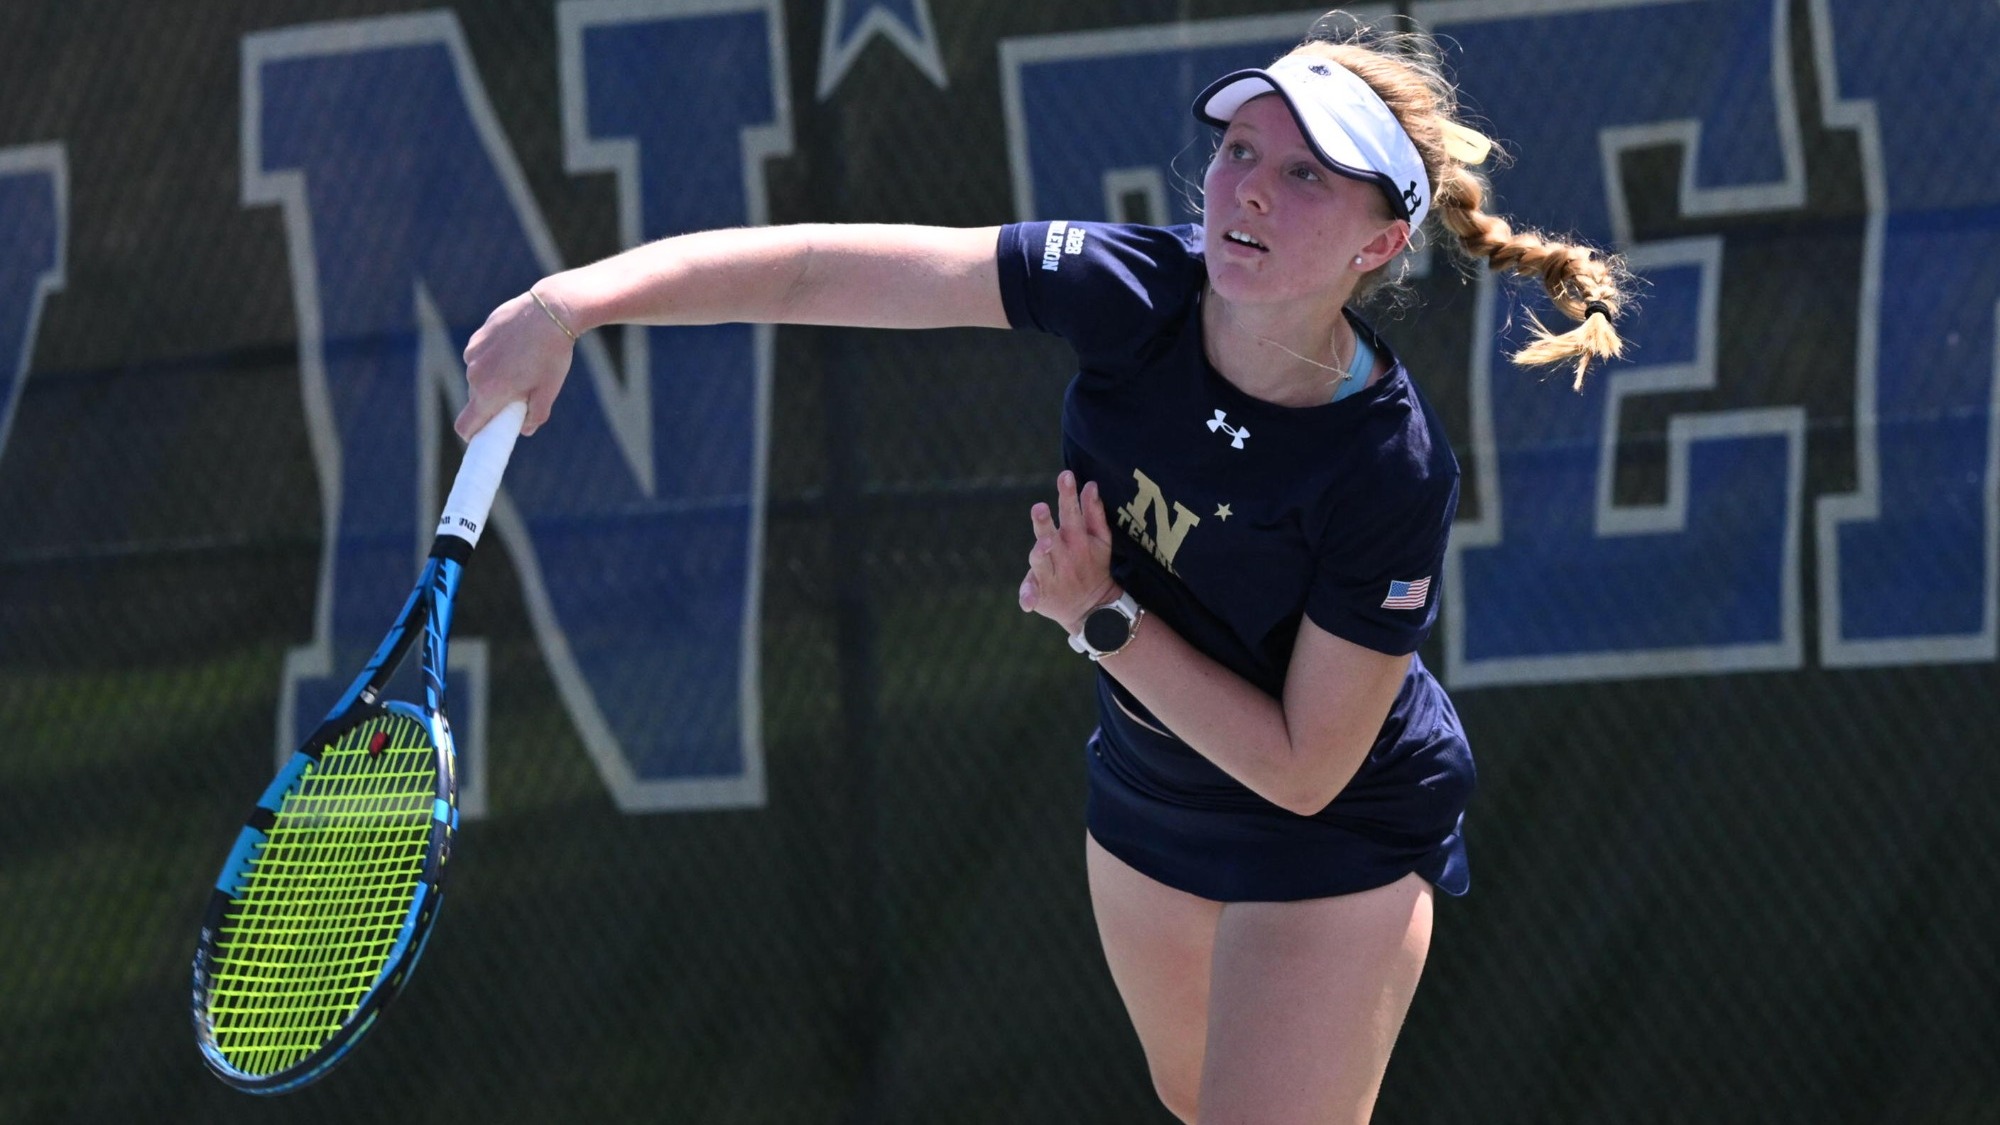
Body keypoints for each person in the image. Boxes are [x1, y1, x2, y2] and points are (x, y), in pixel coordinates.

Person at [455, 13, 1631, 1122]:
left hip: (1335, 827)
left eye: (1304, 174)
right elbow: (816, 269)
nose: (1248, 188)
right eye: (1237, 149)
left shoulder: (1387, 468)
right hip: (1149, 796)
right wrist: (567, 306)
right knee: (1196, 1102)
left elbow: (1302, 768)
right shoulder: (1125, 291)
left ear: (1379, 243)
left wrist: (1104, 618)